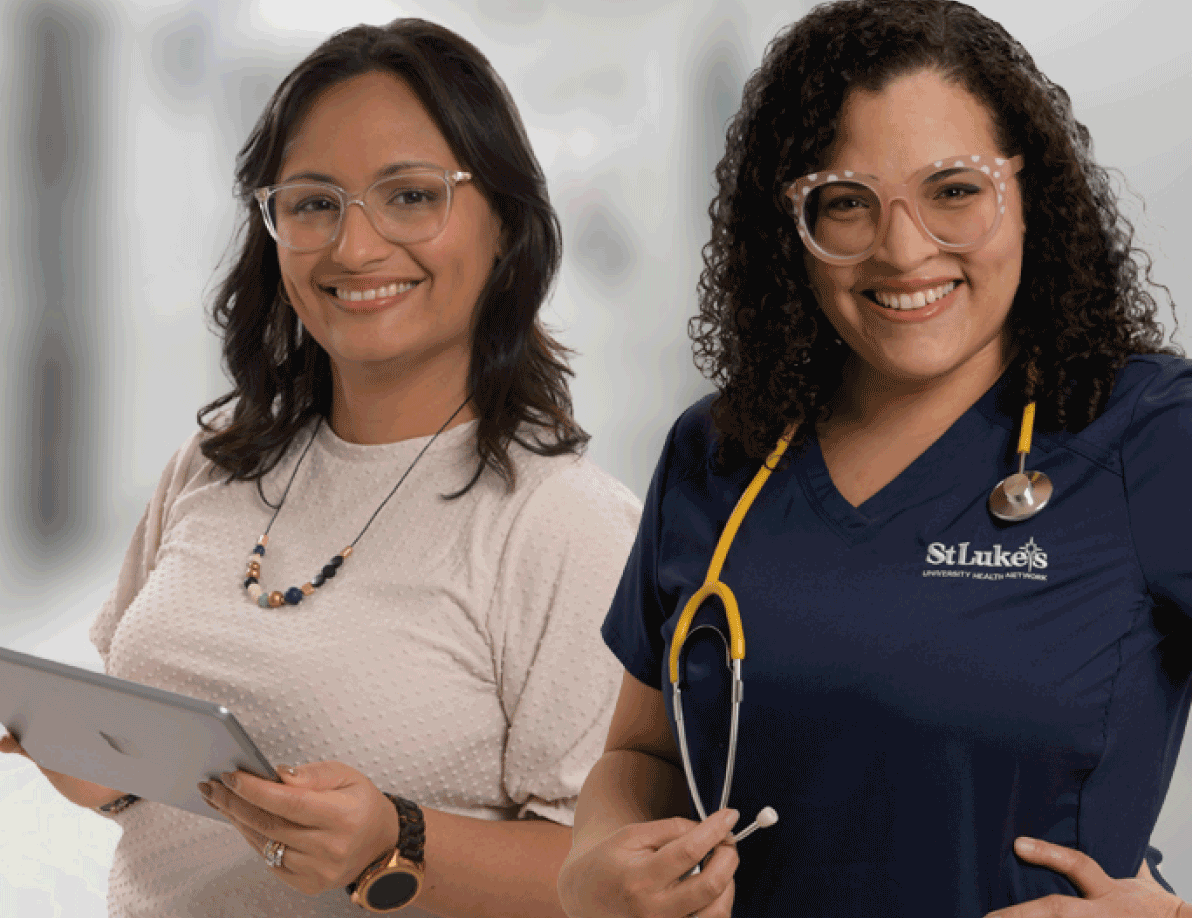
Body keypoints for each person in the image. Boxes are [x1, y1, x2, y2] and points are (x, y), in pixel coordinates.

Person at [557, 2, 1192, 916]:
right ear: (793, 227)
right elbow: (644, 757)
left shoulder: (1145, 431)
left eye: (955, 190)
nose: (903, 250)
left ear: (1030, 192)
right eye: (846, 203)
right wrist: (595, 859)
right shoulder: (720, 452)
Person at [0, 18, 640, 918]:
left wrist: (396, 841)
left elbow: (611, 879)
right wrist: (63, 738)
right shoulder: (215, 466)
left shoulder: (566, 524)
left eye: (412, 196)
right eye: (312, 203)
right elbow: (137, 794)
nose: (355, 248)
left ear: (506, 223)